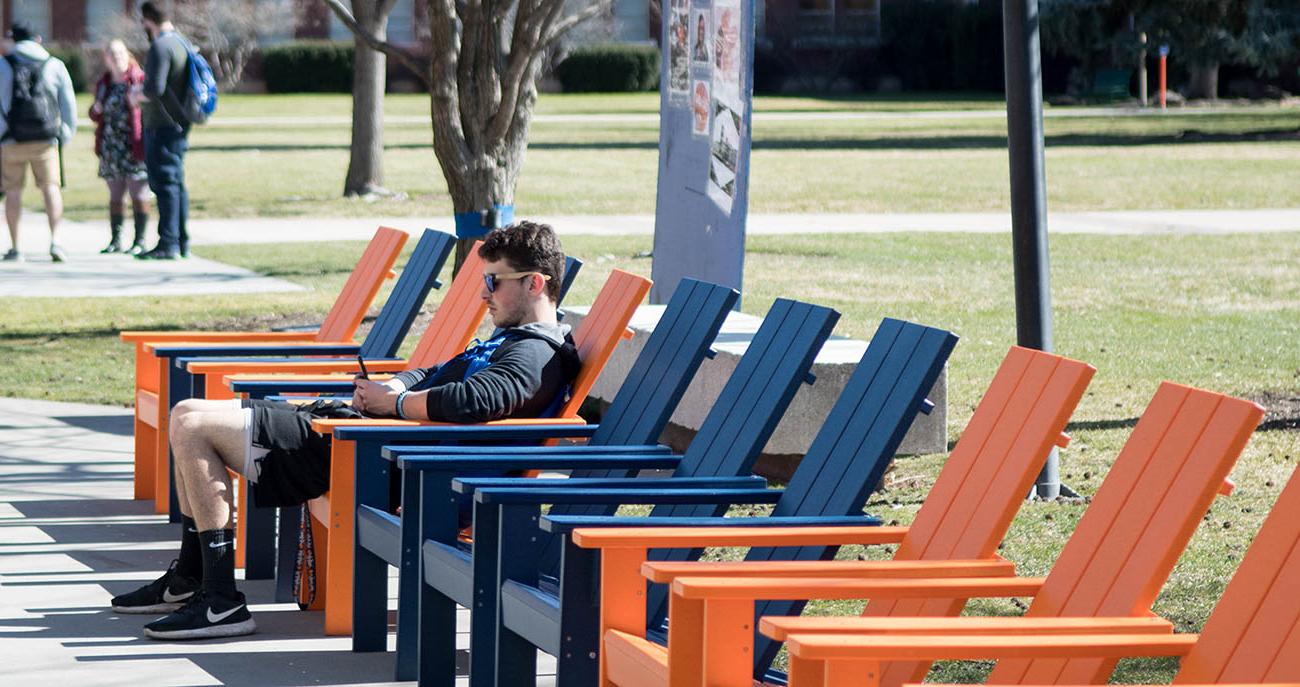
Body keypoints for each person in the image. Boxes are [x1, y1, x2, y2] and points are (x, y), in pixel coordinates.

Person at [110, 221, 581, 640]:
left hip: (378, 461)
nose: (484, 293)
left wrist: (392, 405)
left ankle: (218, 598)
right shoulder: (508, 341)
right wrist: (389, 389)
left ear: (535, 283)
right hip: (365, 440)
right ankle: (192, 577)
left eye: (493, 281)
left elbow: (476, 400)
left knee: (195, 428)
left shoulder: (535, 355)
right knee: (187, 410)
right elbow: (432, 372)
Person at [0, 22, 77, 263]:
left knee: (13, 191)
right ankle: (56, 241)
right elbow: (68, 105)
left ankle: (16, 247)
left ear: (14, 40)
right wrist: (64, 134)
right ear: (38, 39)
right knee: (51, 188)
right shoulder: (55, 65)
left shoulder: (3, 65)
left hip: (11, 139)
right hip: (46, 139)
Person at [136, 1, 191, 260]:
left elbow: (153, 89)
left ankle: (168, 243)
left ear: (149, 19)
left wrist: (136, 94)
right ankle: (180, 240)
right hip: (179, 122)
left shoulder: (160, 46)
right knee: (176, 183)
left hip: (162, 125)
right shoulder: (181, 42)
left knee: (165, 184)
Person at [90, 39, 150, 254]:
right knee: (115, 194)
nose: (116, 57)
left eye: (120, 52)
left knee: (138, 192)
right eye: (112, 54)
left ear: (127, 53)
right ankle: (116, 240)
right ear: (106, 58)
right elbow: (96, 114)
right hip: (110, 146)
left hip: (133, 144)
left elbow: (149, 108)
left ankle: (140, 240)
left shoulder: (137, 78)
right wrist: (96, 109)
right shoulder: (104, 83)